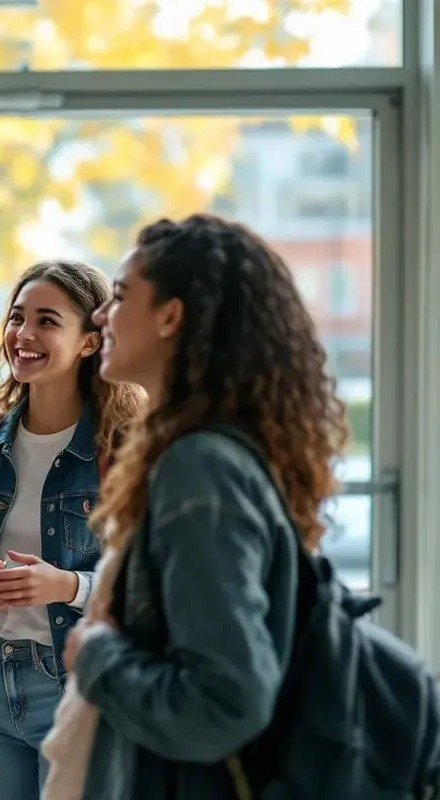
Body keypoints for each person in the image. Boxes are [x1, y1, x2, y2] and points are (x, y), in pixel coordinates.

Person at [59, 214, 348, 797]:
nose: (99, 316)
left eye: (118, 297)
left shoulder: (201, 468)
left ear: (170, 315)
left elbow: (225, 702)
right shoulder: (198, 454)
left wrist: (95, 654)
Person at [0, 260, 144, 798]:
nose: (23, 335)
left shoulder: (123, 451)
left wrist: (67, 587)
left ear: (90, 342)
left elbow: (147, 581)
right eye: (17, 317)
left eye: (47, 320)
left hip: (79, 688)